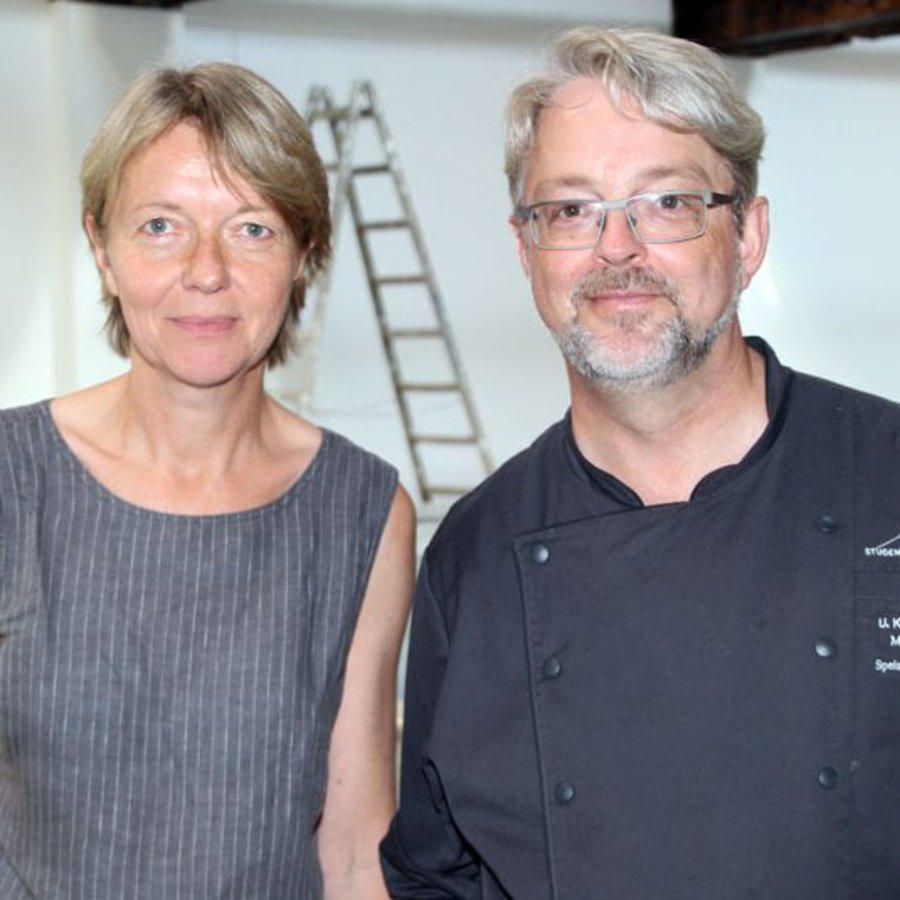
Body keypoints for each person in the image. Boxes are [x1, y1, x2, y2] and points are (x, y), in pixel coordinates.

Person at [381, 24, 900, 899]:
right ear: (526, 251)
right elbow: (436, 875)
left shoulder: (885, 479)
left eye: (666, 202)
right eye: (571, 210)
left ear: (747, 237)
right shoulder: (473, 556)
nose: (615, 250)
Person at [0, 62, 414, 898]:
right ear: (102, 249)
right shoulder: (12, 481)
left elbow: (353, 851)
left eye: (252, 228)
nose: (206, 271)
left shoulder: (364, 513)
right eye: (160, 225)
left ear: (304, 254)